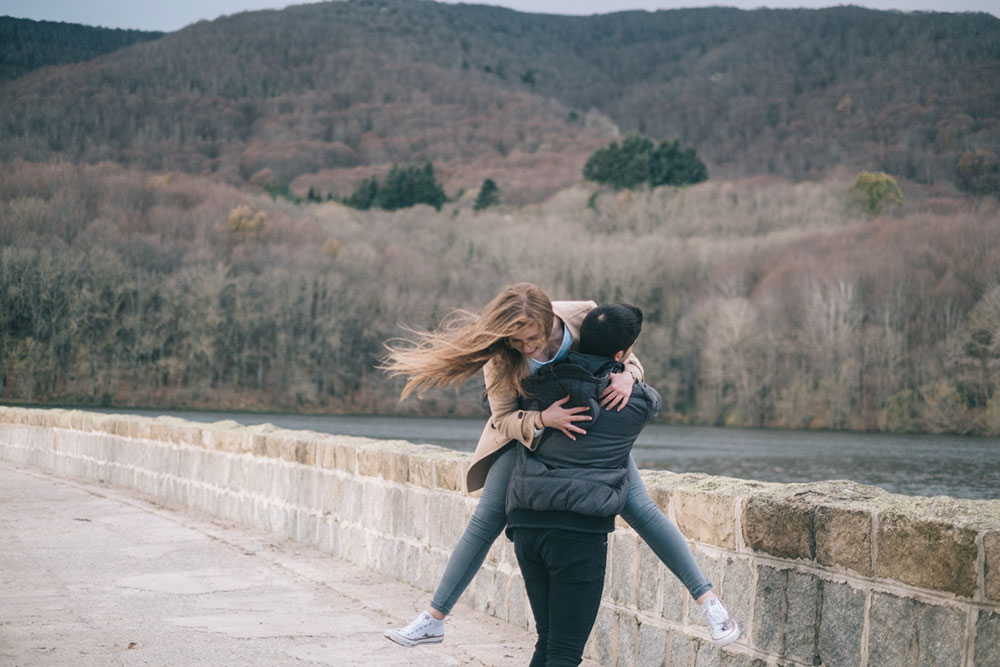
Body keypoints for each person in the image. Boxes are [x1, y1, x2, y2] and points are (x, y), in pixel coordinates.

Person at [381, 283, 739, 648]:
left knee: (641, 508)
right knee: (486, 520)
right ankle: (434, 619)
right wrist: (542, 419)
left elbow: (624, 354)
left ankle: (709, 603)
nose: (526, 347)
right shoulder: (502, 354)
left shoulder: (582, 314)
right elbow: (501, 418)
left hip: (585, 433)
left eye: (531, 338)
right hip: (529, 434)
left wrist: (628, 375)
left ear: (547, 317)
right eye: (516, 342)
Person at [506, 303, 660, 666]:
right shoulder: (632, 401)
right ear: (622, 353)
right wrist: (629, 375)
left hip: (527, 526)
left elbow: (495, 407)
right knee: (564, 652)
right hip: (577, 534)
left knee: (549, 643)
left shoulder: (537, 385)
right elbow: (653, 403)